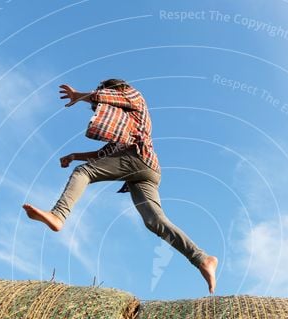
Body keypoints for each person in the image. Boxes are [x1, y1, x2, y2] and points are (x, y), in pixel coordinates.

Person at [22, 78, 218, 294]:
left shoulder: (132, 94)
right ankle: (202, 258)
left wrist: (79, 95)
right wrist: (74, 155)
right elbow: (103, 154)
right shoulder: (125, 127)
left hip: (137, 158)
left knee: (84, 172)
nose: (99, 109)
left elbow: (107, 96)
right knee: (155, 221)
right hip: (145, 171)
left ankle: (58, 215)